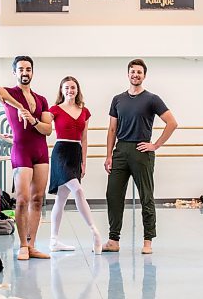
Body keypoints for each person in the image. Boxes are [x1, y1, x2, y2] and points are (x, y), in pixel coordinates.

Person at [103, 59, 177, 254]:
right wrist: (108, 156)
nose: (135, 75)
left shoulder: (152, 99)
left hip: (141, 151)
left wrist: (155, 145)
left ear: (144, 75)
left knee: (146, 196)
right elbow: (112, 129)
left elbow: (172, 122)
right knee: (113, 194)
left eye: (139, 72)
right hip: (120, 151)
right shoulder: (118, 99)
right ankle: (113, 239)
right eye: (132, 71)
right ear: (128, 74)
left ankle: (147, 241)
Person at [0, 56, 52, 261]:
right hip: (21, 150)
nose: (25, 72)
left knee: (38, 199)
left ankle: (31, 244)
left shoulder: (41, 99)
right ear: (15, 72)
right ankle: (21, 244)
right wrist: (20, 107)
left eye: (28, 69)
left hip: (40, 150)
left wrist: (33, 119)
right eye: (20, 69)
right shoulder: (11, 93)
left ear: (32, 72)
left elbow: (47, 129)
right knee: (22, 199)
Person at [48, 76, 102, 254]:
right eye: (66, 87)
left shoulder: (85, 111)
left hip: (76, 152)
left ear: (77, 90)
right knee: (78, 190)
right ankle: (95, 232)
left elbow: (84, 138)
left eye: (73, 87)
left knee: (61, 198)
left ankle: (54, 240)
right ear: (61, 90)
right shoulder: (54, 109)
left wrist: (84, 162)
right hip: (61, 152)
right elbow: (42, 125)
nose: (70, 90)